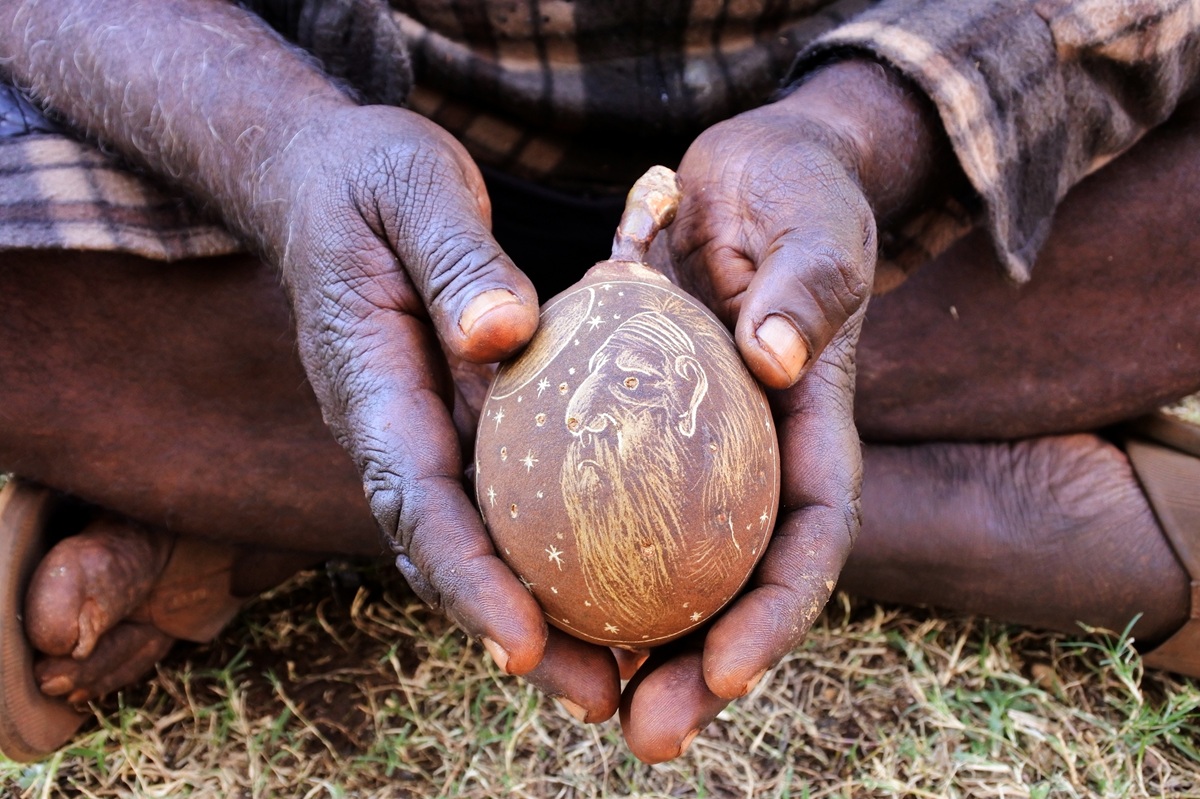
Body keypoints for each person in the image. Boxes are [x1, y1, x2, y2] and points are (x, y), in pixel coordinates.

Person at [0, 0, 1198, 766]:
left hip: (860, 168)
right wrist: (287, 150)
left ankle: (281, 484)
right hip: (358, 135)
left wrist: (858, 130)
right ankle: (960, 510)